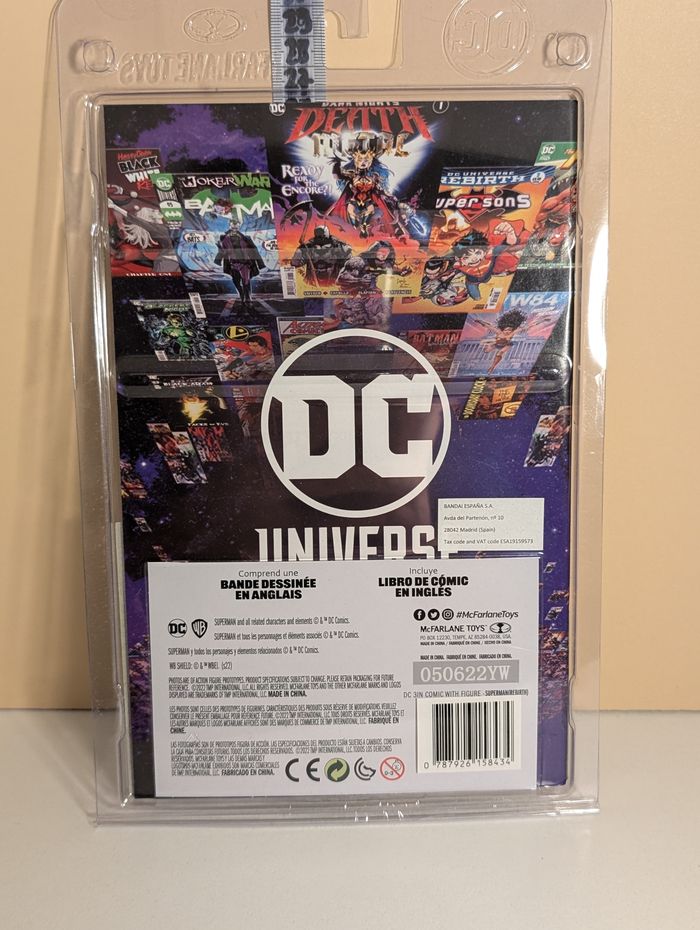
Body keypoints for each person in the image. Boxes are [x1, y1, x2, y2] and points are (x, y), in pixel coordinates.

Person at [215, 220, 263, 307]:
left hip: (245, 264)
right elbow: (223, 252)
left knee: (246, 281)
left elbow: (254, 250)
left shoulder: (246, 238)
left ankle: (248, 298)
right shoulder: (224, 238)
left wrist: (260, 264)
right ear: (229, 226)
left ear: (238, 227)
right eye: (232, 227)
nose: (234, 229)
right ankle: (242, 294)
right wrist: (218, 253)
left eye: (236, 227)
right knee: (236, 281)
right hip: (233, 264)